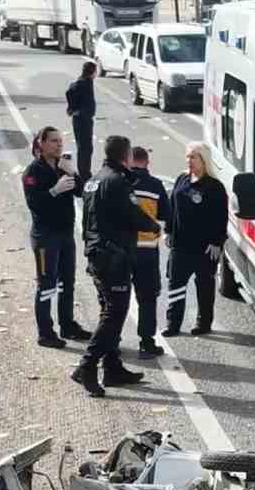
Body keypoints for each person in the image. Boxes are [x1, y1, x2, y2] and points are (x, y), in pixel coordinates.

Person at [74, 135, 157, 397]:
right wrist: (153, 226)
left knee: (109, 311)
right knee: (114, 313)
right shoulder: (117, 181)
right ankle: (86, 366)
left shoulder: (95, 179)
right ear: (126, 156)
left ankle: (112, 367)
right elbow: (132, 214)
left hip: (98, 254)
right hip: (113, 257)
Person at [21, 126, 94, 348]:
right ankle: (45, 333)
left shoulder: (62, 168)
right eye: (53, 141)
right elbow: (35, 204)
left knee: (67, 283)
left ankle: (67, 325)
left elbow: (83, 192)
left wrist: (72, 172)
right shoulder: (32, 172)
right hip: (45, 237)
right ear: (40, 144)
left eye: (60, 141)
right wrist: (54, 190)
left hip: (65, 234)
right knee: (46, 284)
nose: (59, 144)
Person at [163, 142, 228, 337]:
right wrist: (168, 230)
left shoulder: (214, 187)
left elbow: (221, 217)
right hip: (180, 246)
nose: (189, 160)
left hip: (204, 248)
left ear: (203, 159)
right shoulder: (181, 179)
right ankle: (173, 324)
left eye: (193, 157)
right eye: (187, 156)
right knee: (175, 285)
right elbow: (171, 208)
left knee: (205, 287)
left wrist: (217, 242)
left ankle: (204, 323)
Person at [127, 146, 169, 358]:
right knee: (147, 298)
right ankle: (146, 343)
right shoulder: (155, 185)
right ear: (147, 162)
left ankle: (112, 342)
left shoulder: (120, 183)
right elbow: (165, 213)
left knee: (116, 299)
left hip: (122, 250)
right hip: (147, 251)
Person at [65, 61, 97, 181]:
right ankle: (84, 173)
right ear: (92, 71)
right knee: (85, 147)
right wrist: (72, 108)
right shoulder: (83, 83)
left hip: (84, 118)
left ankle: (85, 171)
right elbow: (70, 92)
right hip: (82, 119)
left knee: (86, 147)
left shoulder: (87, 81)